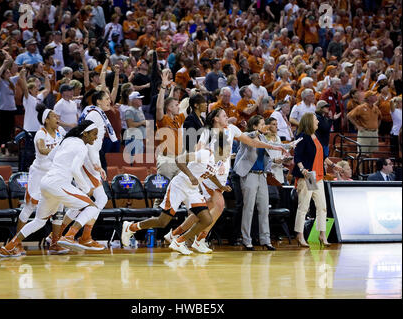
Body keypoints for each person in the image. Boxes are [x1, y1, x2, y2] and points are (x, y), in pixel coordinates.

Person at [163, 109, 287, 253]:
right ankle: (198, 239)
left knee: (205, 211)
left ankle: (174, 234)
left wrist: (272, 146)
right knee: (219, 205)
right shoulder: (207, 132)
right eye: (224, 115)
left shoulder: (232, 129)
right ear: (216, 119)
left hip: (220, 176)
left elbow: (252, 142)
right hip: (208, 177)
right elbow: (198, 152)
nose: (227, 117)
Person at [121, 130, 233, 255]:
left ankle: (179, 241)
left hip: (192, 190)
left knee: (206, 219)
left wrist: (221, 186)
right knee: (162, 222)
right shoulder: (205, 154)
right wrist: (190, 176)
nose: (229, 154)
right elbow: (179, 159)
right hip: (179, 186)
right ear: (221, 149)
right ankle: (131, 227)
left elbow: (211, 175)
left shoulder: (218, 162)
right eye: (228, 150)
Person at [0, 120, 99, 257]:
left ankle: (9, 246)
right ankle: (69, 236)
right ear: (85, 133)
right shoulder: (82, 147)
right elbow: (75, 169)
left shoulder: (66, 140)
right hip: (59, 183)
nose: (96, 137)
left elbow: (51, 156)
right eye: (94, 134)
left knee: (39, 221)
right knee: (92, 207)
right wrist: (86, 188)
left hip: (46, 182)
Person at [55, 90, 116, 251]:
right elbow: (90, 143)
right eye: (107, 99)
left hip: (88, 160)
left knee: (84, 201)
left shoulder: (94, 113)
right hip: (88, 161)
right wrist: (96, 164)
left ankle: (59, 236)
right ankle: (76, 235)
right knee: (100, 199)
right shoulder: (96, 115)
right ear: (98, 101)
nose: (110, 101)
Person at [15, 104, 68, 255]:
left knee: (59, 207)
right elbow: (42, 149)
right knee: (29, 207)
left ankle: (55, 243)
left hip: (55, 175)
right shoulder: (41, 134)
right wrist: (60, 150)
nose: (57, 117)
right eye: (53, 116)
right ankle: (16, 243)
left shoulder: (61, 132)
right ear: (46, 120)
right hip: (39, 175)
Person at [292, 113, 343, 247]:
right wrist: (303, 169)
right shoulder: (303, 137)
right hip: (309, 176)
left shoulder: (317, 136)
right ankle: (300, 235)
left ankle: (322, 235)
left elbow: (323, 156)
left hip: (319, 176)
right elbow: (297, 157)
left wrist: (333, 165)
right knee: (304, 207)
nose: (318, 123)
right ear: (309, 122)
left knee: (322, 207)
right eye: (316, 120)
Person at [234, 115, 276, 251]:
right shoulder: (246, 136)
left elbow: (267, 158)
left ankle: (266, 239)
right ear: (255, 126)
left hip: (261, 175)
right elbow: (250, 137)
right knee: (249, 208)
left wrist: (277, 161)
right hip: (249, 175)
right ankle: (246, 239)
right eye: (262, 124)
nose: (265, 126)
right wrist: (258, 132)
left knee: (264, 208)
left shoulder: (263, 138)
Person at [0, 58, 19, 157]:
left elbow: (19, 75)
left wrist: (20, 67)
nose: (9, 74)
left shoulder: (11, 81)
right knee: (1, 131)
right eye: (7, 73)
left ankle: (8, 151)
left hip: (11, 110)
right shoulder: (0, 83)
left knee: (9, 132)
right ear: (4, 75)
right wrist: (4, 65)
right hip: (2, 110)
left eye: (10, 72)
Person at [347, 90, 382, 155]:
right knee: (362, 154)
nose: (376, 96)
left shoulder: (376, 108)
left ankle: (371, 165)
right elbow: (349, 116)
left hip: (374, 133)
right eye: (373, 95)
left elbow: (380, 118)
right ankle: (360, 165)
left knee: (373, 154)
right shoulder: (361, 107)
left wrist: (377, 127)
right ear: (369, 98)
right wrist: (357, 126)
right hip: (365, 132)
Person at [124, 91, 147, 157]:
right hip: (133, 138)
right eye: (139, 99)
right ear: (133, 100)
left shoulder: (139, 110)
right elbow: (130, 125)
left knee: (138, 160)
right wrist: (142, 122)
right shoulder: (130, 110)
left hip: (139, 138)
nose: (141, 100)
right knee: (134, 159)